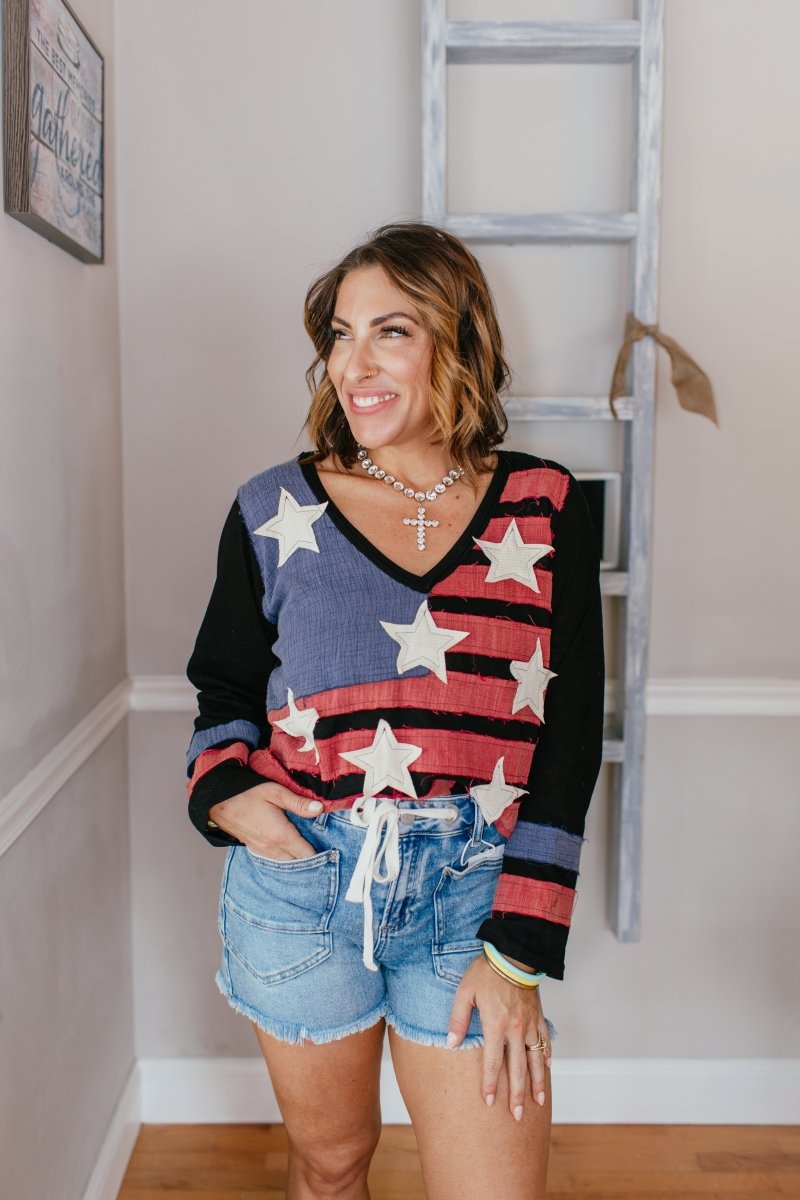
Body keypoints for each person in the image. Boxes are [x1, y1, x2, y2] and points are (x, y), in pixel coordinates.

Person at [185, 222, 604, 1200]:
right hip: (302, 888)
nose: (353, 365)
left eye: (391, 332)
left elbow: (571, 731)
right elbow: (224, 691)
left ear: (457, 342)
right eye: (340, 335)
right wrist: (226, 795)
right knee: (331, 1167)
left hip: (477, 893)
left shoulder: (545, 505)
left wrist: (519, 952)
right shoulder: (271, 509)